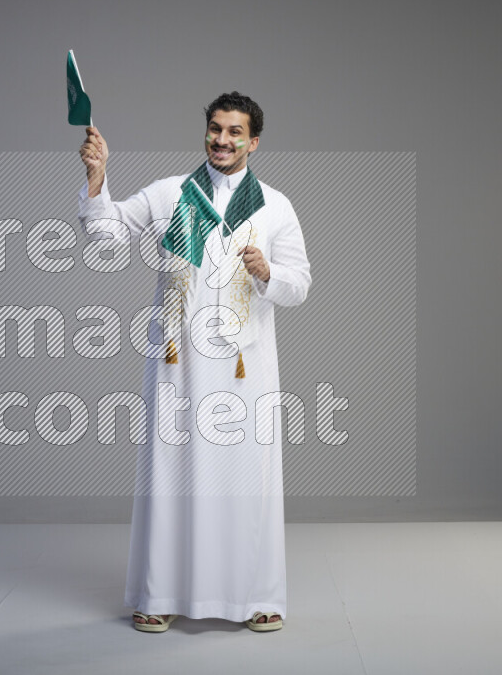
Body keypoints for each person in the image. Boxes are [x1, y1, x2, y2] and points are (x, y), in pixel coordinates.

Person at [77, 92, 312, 632]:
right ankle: (161, 594)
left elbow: (300, 284)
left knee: (246, 479)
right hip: (177, 364)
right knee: (172, 475)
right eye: (215, 129)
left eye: (234, 132)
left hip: (244, 369)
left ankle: (255, 595)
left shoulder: (274, 206)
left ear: (254, 142)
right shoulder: (169, 194)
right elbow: (106, 234)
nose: (222, 140)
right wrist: (97, 176)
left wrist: (268, 272)